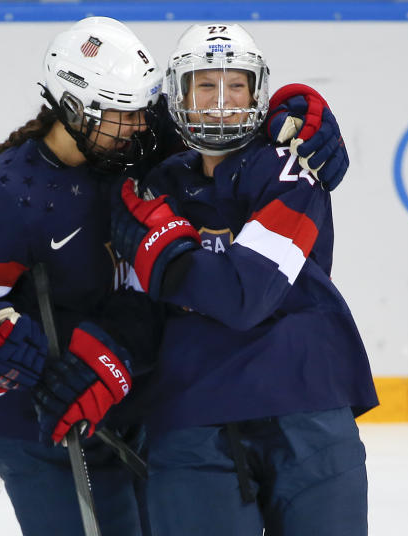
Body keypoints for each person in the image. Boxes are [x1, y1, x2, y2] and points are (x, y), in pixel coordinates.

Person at [0, 16, 351, 536]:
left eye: (141, 110)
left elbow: (227, 114)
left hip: (140, 411)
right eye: (120, 113)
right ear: (73, 108)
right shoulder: (4, 191)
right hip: (49, 429)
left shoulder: (146, 150)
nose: (137, 125)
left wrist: (302, 112)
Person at [110, 23, 378, 535]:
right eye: (205, 86)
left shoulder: (290, 168)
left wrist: (164, 247)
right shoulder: (155, 183)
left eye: (236, 86)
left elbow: (244, 295)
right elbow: (136, 309)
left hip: (306, 412)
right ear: (179, 95)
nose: (220, 103)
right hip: (191, 420)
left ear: (258, 93)